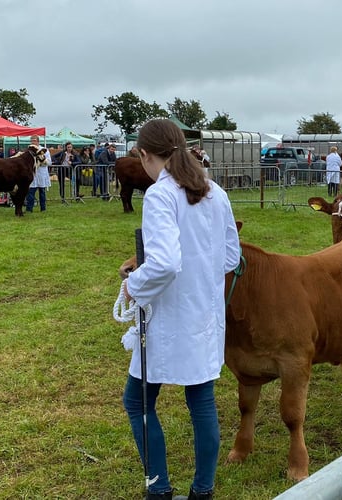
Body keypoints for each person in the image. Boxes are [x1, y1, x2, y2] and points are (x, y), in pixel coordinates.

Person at [122, 118, 240, 500]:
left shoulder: (161, 194)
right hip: (203, 314)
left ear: (145, 154)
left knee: (137, 400)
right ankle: (202, 490)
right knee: (200, 399)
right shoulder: (215, 192)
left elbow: (166, 264)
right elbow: (231, 257)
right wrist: (198, 275)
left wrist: (133, 284)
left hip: (168, 318)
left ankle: (159, 490)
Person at [25, 136, 52, 212]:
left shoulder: (44, 150)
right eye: (31, 141)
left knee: (42, 192)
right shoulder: (29, 151)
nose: (33, 142)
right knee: (30, 192)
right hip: (33, 174)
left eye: (34, 140)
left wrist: (42, 161)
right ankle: (29, 209)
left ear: (38, 141)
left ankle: (43, 208)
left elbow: (49, 162)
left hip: (41, 173)